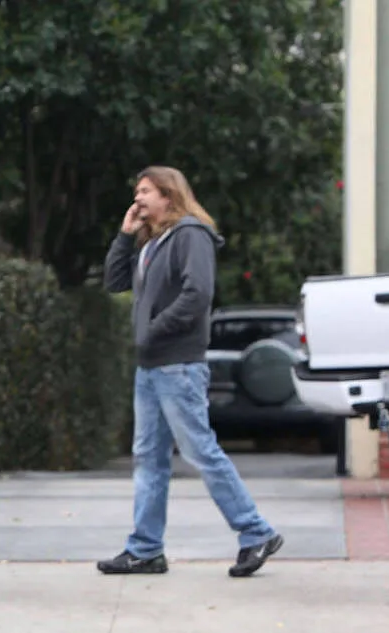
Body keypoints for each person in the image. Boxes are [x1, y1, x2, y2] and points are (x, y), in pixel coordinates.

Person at [99, 166, 283, 578]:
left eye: (145, 191)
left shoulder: (191, 234)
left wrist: (153, 330)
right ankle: (145, 549)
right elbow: (114, 282)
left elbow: (198, 294)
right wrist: (126, 235)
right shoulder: (152, 242)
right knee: (148, 459)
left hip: (179, 364)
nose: (138, 198)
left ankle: (256, 532)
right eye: (137, 191)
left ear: (169, 194)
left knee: (200, 451)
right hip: (151, 367)